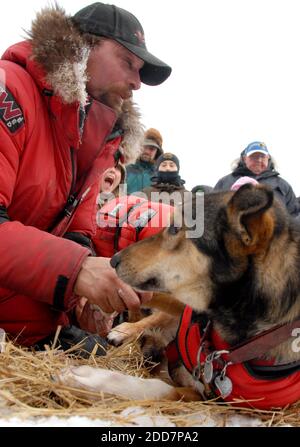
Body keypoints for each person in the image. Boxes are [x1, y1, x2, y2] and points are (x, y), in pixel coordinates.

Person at [0, 2, 171, 353]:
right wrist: (77, 272)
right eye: (128, 62)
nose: (137, 82)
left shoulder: (101, 138)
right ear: (83, 46)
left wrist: (79, 300)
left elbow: (78, 232)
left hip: (25, 311)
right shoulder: (10, 90)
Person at [214, 141, 300, 217]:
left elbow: (294, 215)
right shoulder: (225, 182)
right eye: (254, 156)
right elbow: (212, 211)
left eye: (262, 156)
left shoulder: (282, 185)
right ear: (244, 159)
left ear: (268, 158)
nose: (259, 160)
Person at [126, 128, 164, 194]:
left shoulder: (162, 176)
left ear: (157, 152)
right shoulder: (125, 170)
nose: (146, 151)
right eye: (144, 147)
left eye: (151, 149)